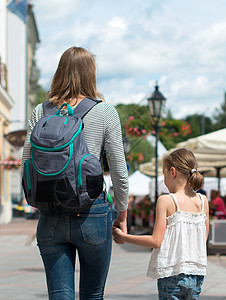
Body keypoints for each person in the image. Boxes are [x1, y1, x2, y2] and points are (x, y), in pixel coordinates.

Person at [22, 46, 129, 300]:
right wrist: (122, 212)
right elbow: (119, 171)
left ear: (60, 72)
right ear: (91, 74)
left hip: (50, 215)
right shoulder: (105, 111)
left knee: (59, 295)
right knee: (92, 294)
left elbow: (26, 163)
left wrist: (39, 202)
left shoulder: (40, 111)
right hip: (92, 212)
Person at [113, 148, 209, 299]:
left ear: (172, 172)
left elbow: (155, 241)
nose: (164, 180)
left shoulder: (166, 200)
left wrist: (124, 237)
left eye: (164, 174)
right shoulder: (203, 201)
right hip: (197, 274)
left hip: (172, 274)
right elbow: (202, 239)